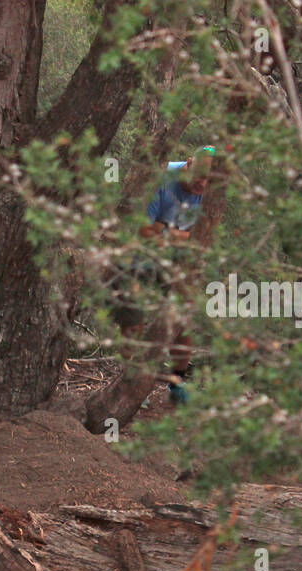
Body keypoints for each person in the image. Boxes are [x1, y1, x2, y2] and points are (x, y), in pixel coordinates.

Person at [118, 145, 217, 404]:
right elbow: (143, 232)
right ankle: (129, 384)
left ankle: (177, 383)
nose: (202, 184)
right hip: (137, 259)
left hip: (176, 265)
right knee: (132, 323)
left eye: (209, 180)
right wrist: (181, 236)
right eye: (199, 176)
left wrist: (167, 231)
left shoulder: (214, 193)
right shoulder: (161, 178)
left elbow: (206, 237)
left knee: (183, 324)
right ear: (188, 164)